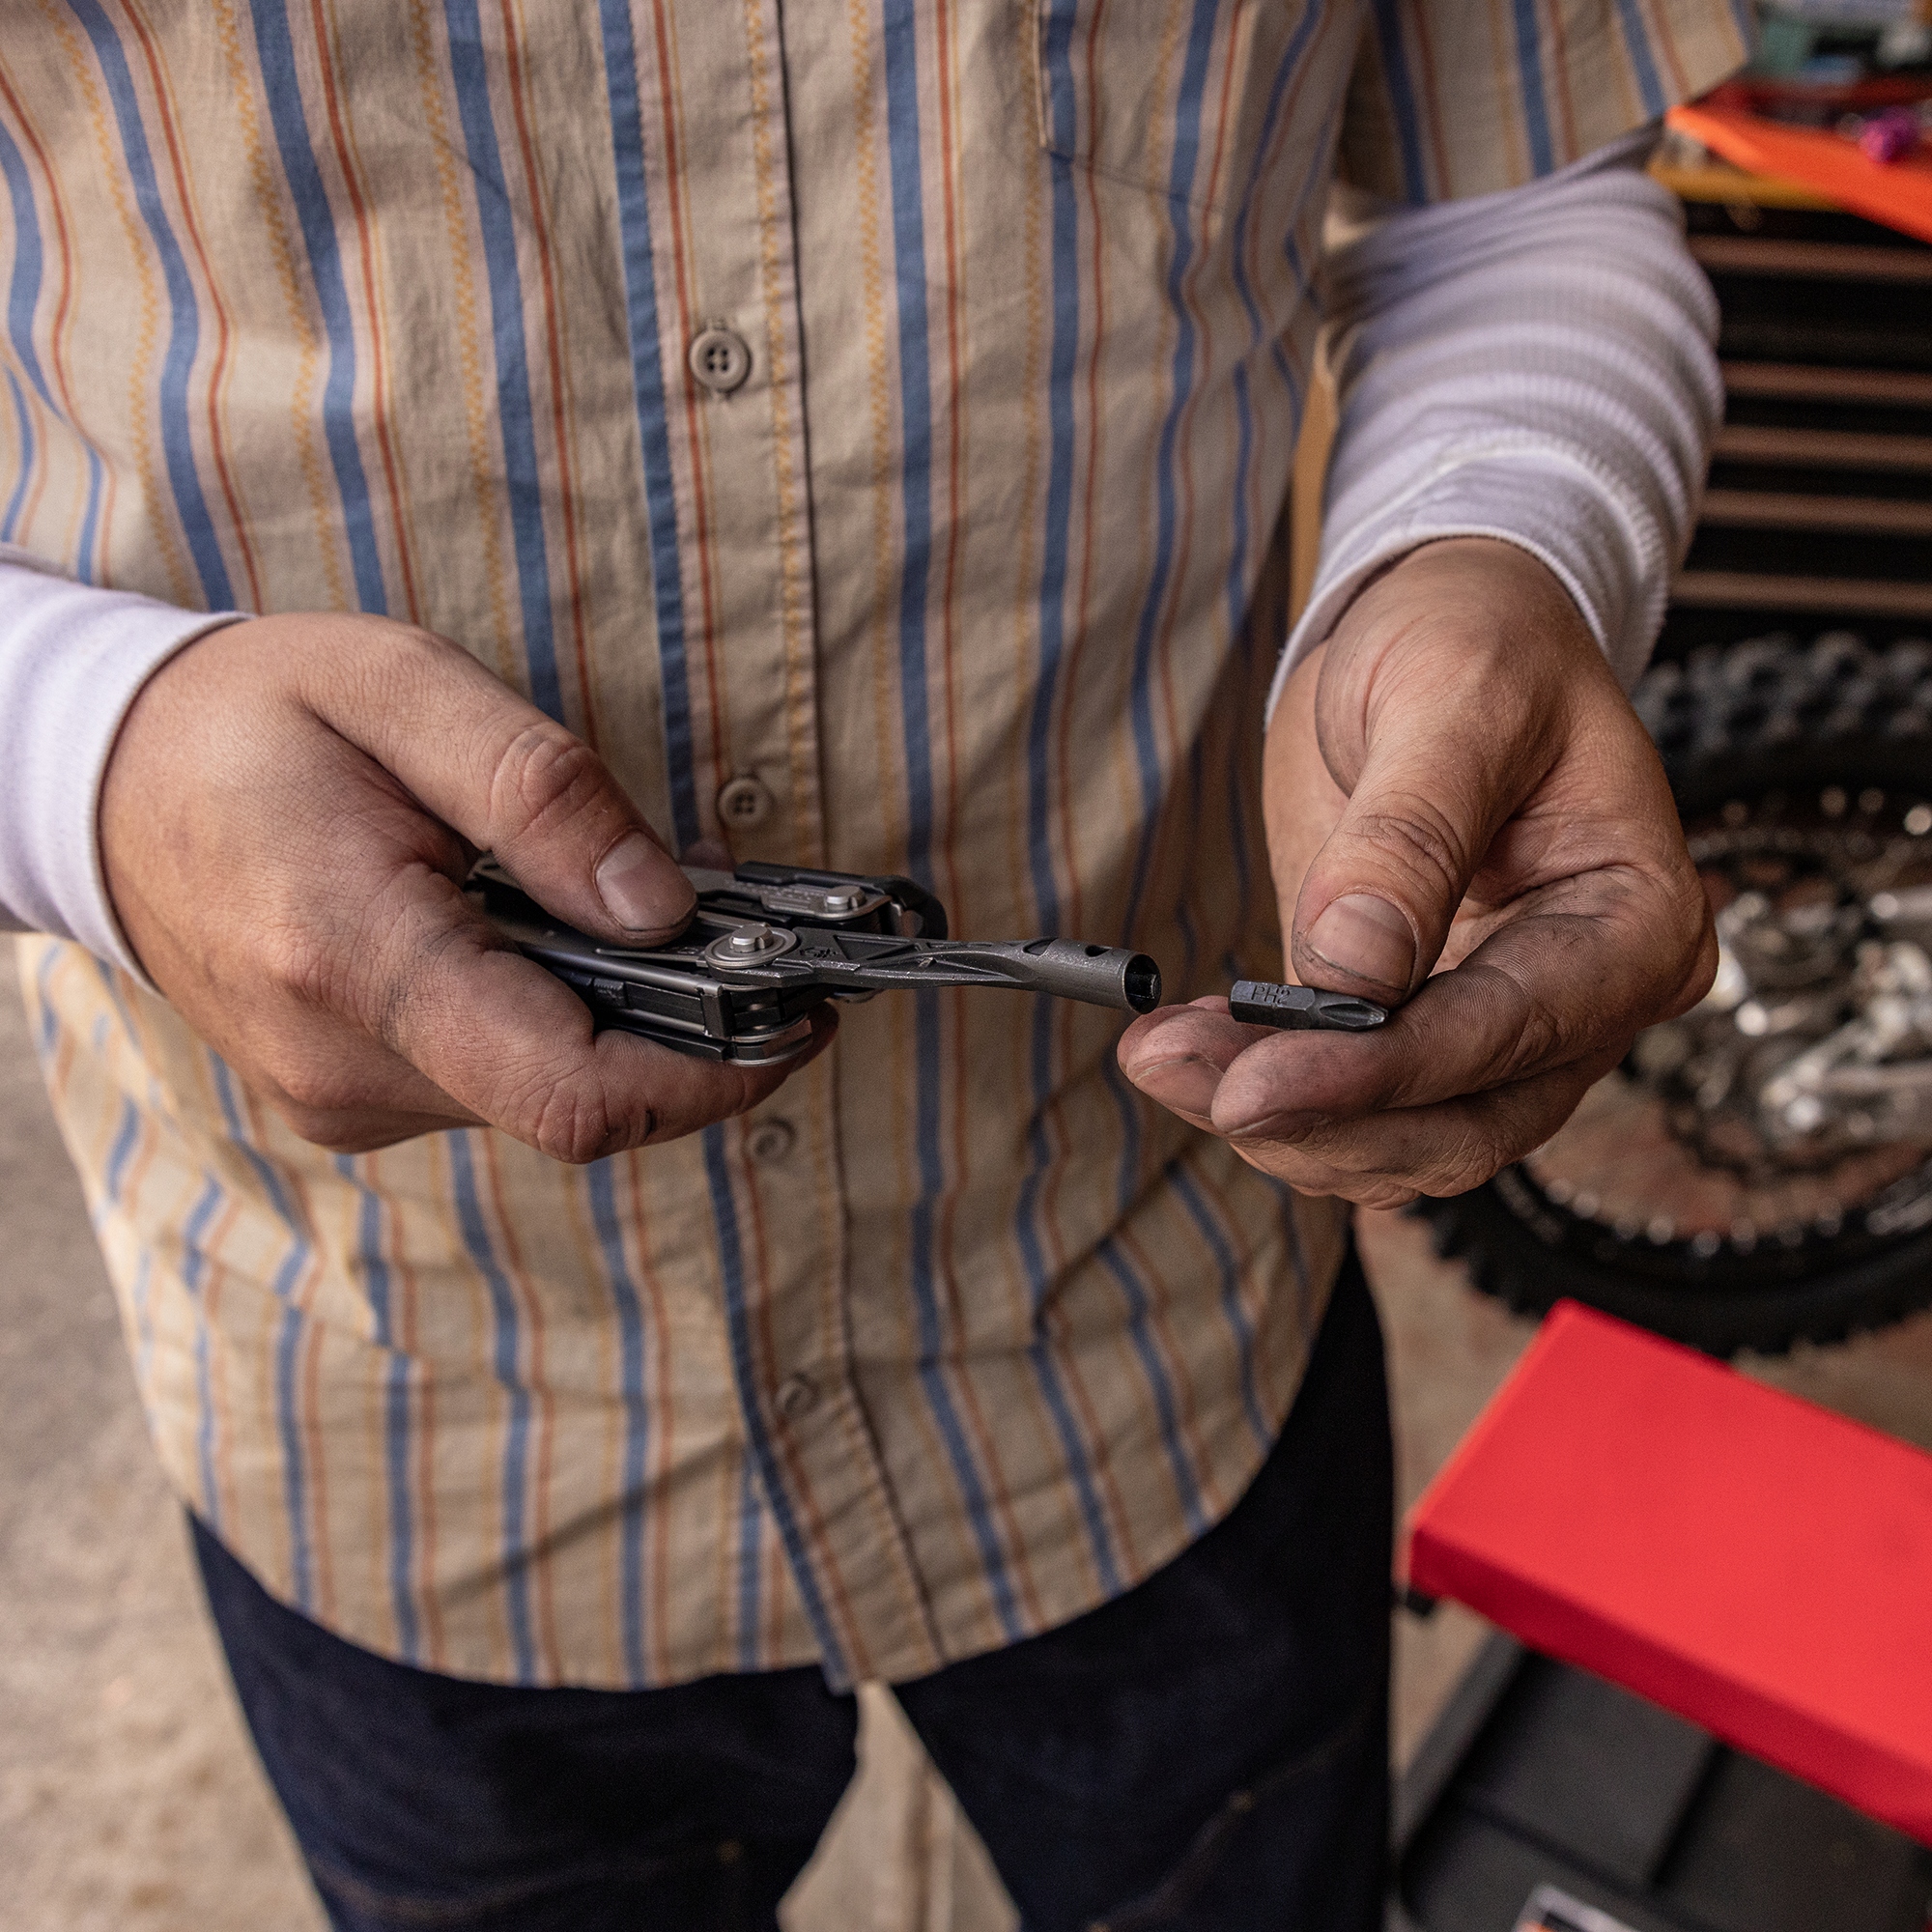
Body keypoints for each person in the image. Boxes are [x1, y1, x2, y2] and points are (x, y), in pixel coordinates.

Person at [0, 4, 1741, 1927]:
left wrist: (1498, 544)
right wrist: (89, 765)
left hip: (1154, 1336)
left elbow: (1512, 201)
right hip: (399, 1407)